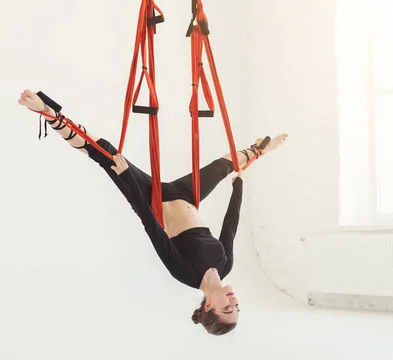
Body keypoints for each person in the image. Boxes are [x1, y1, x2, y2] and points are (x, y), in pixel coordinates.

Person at [18, 89, 288, 336]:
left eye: (228, 308)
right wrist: (238, 186)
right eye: (238, 306)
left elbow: (152, 227)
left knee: (108, 155)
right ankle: (258, 149)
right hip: (187, 196)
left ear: (208, 307)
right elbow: (231, 226)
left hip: (152, 201)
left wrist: (127, 178)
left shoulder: (184, 273)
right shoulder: (225, 265)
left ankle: (49, 113)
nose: (234, 301)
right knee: (221, 167)